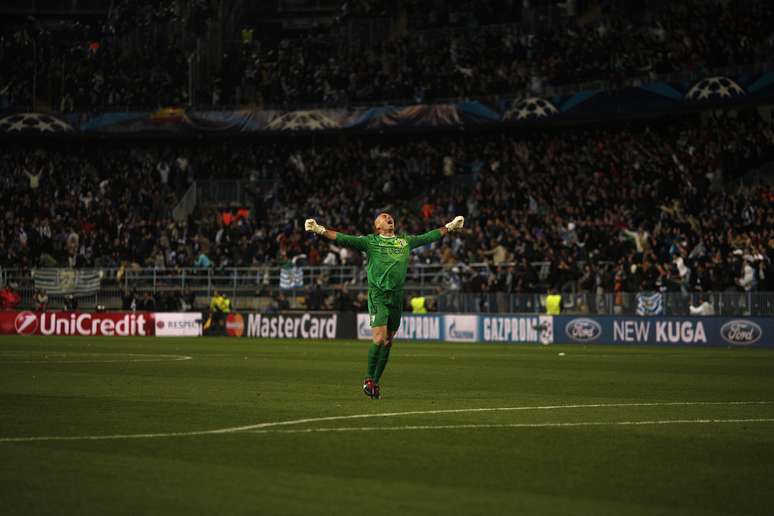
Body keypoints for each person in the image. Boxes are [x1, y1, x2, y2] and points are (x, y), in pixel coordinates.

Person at [305, 212, 464, 399]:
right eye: (384, 217)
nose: (389, 217)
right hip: (379, 295)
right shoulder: (370, 242)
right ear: (378, 226)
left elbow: (428, 237)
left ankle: (375, 383)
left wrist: (450, 226)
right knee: (379, 339)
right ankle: (368, 379)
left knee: (389, 341)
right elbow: (343, 238)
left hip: (397, 297)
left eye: (390, 216)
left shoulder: (405, 241)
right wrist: (319, 229)